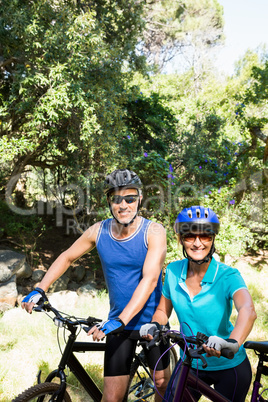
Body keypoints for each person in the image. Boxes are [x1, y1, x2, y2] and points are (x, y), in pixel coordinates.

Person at [21, 169, 171, 402]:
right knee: (111, 398)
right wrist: (41, 288)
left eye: (130, 198)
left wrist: (122, 319)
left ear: (140, 199)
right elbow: (67, 257)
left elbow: (150, 279)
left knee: (162, 385)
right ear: (109, 201)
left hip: (151, 323)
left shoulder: (154, 231)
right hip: (117, 324)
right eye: (116, 198)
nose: (123, 205)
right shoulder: (98, 231)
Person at [140, 205, 257, 402]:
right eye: (189, 237)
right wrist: (155, 323)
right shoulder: (173, 271)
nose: (197, 243)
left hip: (229, 364)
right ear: (181, 240)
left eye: (205, 237)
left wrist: (232, 343)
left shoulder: (228, 275)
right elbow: (162, 310)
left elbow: (248, 310)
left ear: (213, 240)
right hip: (190, 361)